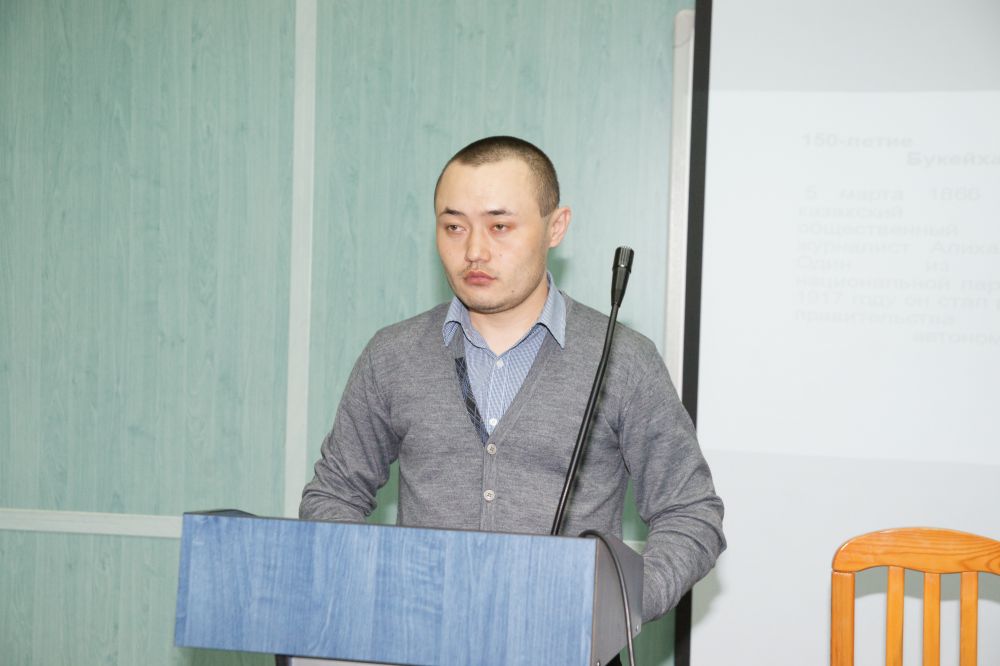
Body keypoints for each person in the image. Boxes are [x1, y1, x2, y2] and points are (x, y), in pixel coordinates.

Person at [300, 136, 725, 623]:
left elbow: (691, 513)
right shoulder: (393, 355)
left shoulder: (624, 359)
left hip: (568, 646)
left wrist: (618, 609)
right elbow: (332, 496)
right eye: (453, 226)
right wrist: (377, 590)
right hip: (418, 642)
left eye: (499, 226)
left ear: (555, 226)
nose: (474, 251)